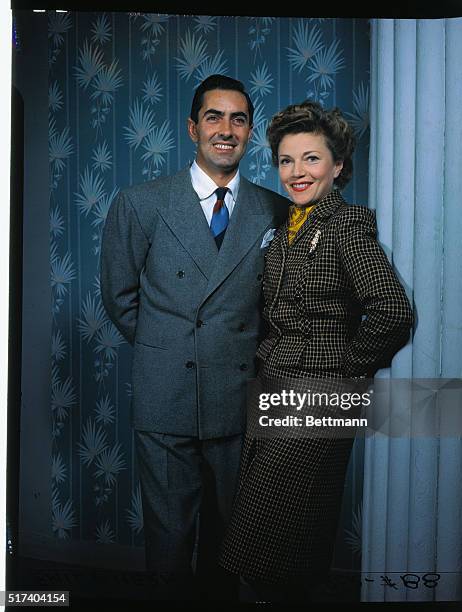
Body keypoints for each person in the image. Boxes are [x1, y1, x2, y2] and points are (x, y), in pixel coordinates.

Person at [99, 74, 288, 600]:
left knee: (237, 540)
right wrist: (172, 348)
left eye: (238, 119)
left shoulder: (276, 211)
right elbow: (120, 297)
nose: (225, 129)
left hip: (240, 396)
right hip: (167, 396)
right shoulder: (140, 203)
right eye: (214, 117)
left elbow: (281, 307)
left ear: (250, 132)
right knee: (170, 542)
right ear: (192, 128)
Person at [218, 101, 414, 602]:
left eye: (311, 158)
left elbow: (392, 311)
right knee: (277, 540)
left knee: (274, 540)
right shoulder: (286, 228)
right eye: (286, 160)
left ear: (338, 165)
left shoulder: (347, 226)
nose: (297, 172)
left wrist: (344, 374)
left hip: (318, 399)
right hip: (275, 392)